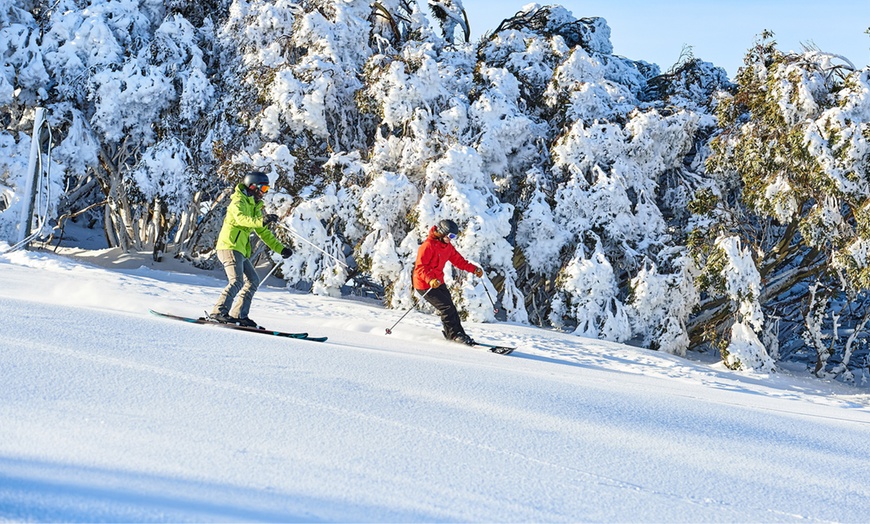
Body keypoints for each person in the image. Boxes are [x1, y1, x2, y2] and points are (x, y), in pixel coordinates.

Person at [210, 171, 292, 327]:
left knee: (253, 280)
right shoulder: (238, 201)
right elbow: (242, 219)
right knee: (236, 281)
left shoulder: (254, 206)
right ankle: (218, 312)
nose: (264, 193)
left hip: (240, 250)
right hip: (229, 246)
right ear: (253, 186)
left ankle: (239, 314)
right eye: (264, 189)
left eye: (266, 190)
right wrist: (262, 220)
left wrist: (281, 249)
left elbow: (263, 232)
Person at [412, 219, 484, 345]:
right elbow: (420, 268)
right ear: (441, 232)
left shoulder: (447, 247)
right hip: (424, 284)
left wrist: (474, 269)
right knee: (446, 307)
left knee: (451, 307)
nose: (451, 239)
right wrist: (430, 280)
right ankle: (454, 335)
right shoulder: (427, 246)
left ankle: (458, 333)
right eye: (450, 236)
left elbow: (459, 261)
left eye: (454, 236)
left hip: (438, 282)